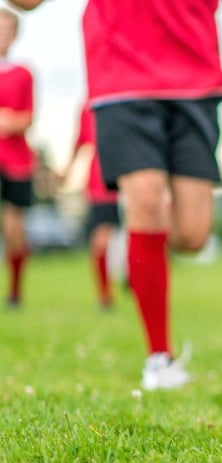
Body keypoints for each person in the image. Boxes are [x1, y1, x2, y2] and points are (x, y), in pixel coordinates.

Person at [11, 0, 222, 389]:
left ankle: (138, 246)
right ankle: (159, 357)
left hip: (193, 80)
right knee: (145, 201)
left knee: (192, 237)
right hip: (120, 77)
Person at [63, 102, 120, 310]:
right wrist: (68, 170)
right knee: (102, 238)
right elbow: (80, 141)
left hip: (137, 175)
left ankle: (135, 281)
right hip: (103, 180)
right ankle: (105, 295)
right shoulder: (90, 105)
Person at [0, 7, 33, 309]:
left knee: (13, 227)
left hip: (15, 161)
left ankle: (14, 290)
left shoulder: (23, 73)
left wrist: (9, 121)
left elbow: (25, 118)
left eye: (7, 30)